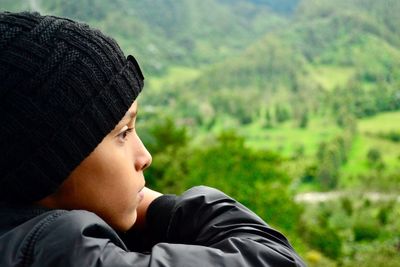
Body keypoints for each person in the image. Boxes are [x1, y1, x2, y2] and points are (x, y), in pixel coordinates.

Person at [0, 11, 305, 267]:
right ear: (50, 165)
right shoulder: (65, 253)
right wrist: (160, 208)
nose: (144, 156)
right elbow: (275, 258)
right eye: (123, 133)